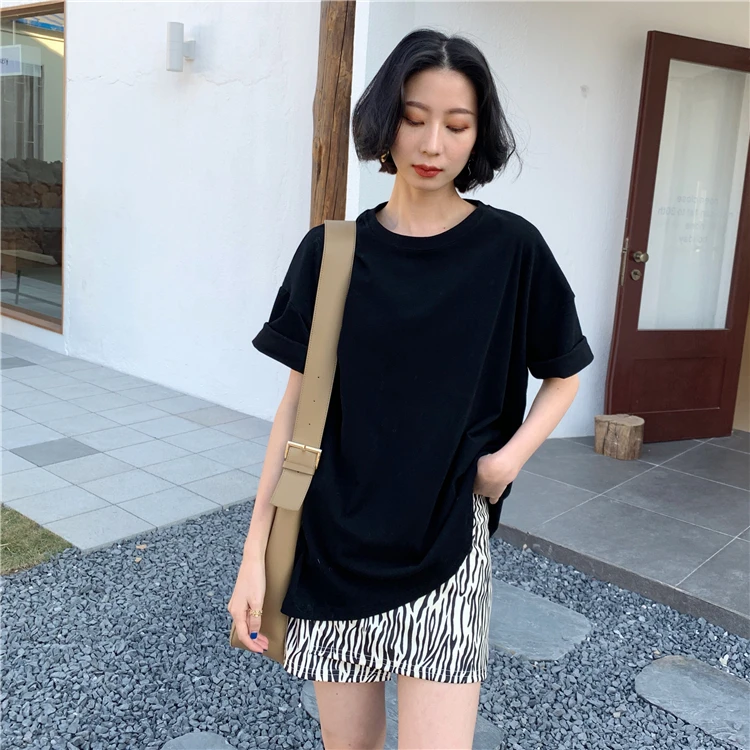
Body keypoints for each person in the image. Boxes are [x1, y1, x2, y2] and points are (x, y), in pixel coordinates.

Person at [228, 28, 594, 750]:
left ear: (478, 135)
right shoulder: (331, 253)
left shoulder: (512, 250)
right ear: (384, 120)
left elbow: (564, 373)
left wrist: (506, 462)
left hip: (448, 548)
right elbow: (295, 408)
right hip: (333, 545)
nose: (432, 144)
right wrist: (253, 556)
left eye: (457, 125)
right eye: (414, 117)